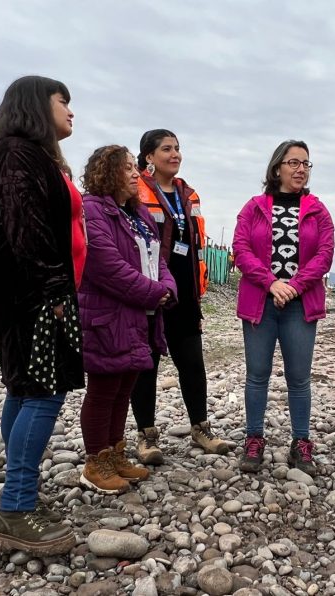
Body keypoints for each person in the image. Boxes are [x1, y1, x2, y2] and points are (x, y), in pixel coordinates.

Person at [0, 75, 81, 556]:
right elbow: (27, 231)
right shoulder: (18, 154)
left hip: (20, 291)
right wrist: (55, 290)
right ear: (38, 105)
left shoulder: (25, 155)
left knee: (23, 386)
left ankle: (20, 494)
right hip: (29, 293)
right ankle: (16, 508)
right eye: (64, 102)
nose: (71, 111)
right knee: (43, 390)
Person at [77, 145, 177, 493]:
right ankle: (95, 461)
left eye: (136, 168)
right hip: (108, 315)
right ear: (107, 172)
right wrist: (154, 293)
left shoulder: (137, 213)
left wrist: (166, 287)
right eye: (128, 169)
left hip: (140, 315)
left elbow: (160, 258)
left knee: (124, 388)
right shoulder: (92, 210)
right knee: (104, 389)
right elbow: (105, 265)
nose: (136, 174)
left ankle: (116, 453)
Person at [233, 140, 334, 475]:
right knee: (257, 375)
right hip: (260, 303)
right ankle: (254, 438)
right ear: (277, 168)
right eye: (293, 162)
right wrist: (271, 282)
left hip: (299, 305)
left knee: (299, 378)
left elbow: (324, 255)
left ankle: (301, 442)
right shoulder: (254, 207)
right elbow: (241, 248)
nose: (301, 169)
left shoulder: (318, 210)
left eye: (306, 163)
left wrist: (293, 285)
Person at [130, 129, 228, 464]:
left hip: (185, 293)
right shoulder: (136, 191)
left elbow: (195, 244)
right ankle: (146, 436)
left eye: (178, 148)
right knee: (147, 365)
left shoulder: (189, 194)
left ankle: (201, 427)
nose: (175, 154)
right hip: (150, 293)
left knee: (192, 362)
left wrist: (197, 290)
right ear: (148, 157)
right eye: (167, 149)